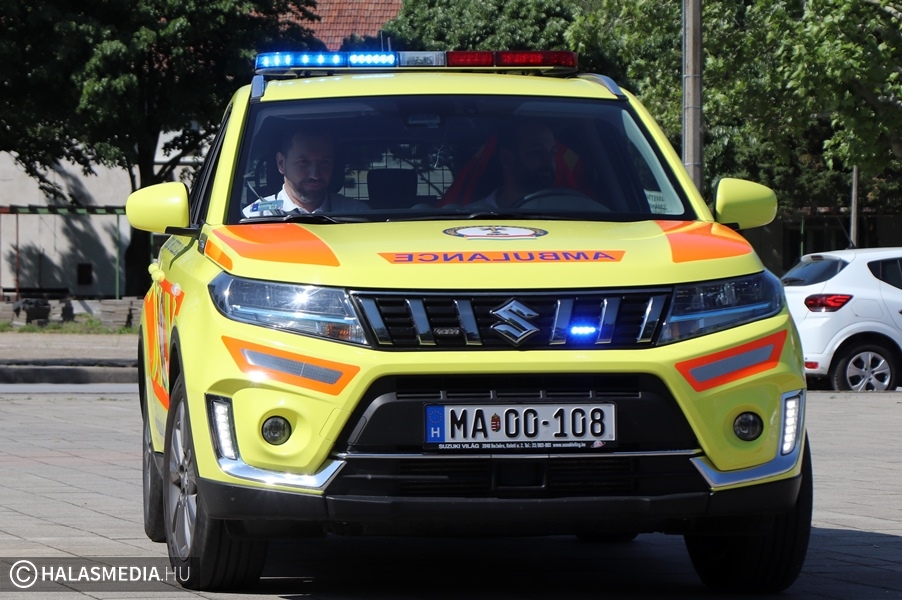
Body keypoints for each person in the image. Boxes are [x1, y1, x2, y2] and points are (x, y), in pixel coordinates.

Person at [243, 127, 368, 217]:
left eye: (324, 162)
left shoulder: (357, 215)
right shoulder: (254, 217)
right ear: (281, 163)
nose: (315, 175)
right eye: (303, 162)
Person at [477, 120, 558, 208]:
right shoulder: (473, 214)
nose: (548, 160)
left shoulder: (565, 210)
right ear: (506, 157)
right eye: (537, 151)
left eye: (552, 152)